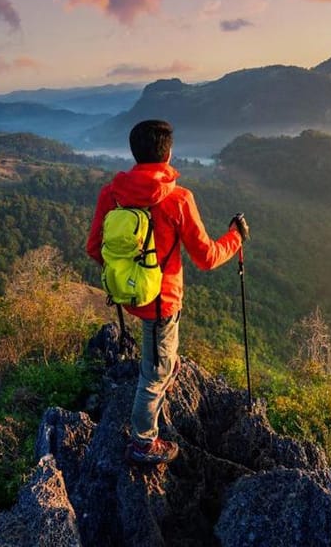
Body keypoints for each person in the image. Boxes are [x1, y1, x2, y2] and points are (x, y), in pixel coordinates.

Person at [86, 119, 249, 465]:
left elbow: (94, 248)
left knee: (160, 356)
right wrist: (235, 238)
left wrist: (127, 274)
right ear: (168, 153)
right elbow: (205, 257)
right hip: (163, 302)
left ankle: (166, 368)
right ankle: (143, 444)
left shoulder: (112, 194)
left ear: (134, 152)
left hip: (131, 296)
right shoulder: (178, 199)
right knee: (152, 374)